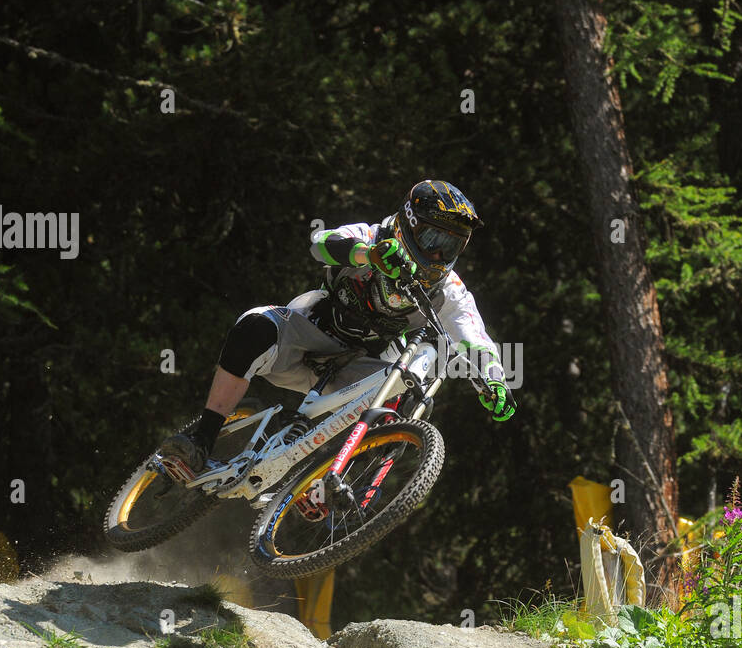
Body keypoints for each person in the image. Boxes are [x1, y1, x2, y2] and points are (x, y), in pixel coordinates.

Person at [158, 179, 515, 481]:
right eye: (433, 239)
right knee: (253, 326)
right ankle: (202, 439)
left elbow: (473, 336)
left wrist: (494, 379)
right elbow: (321, 245)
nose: (439, 255)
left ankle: (317, 483)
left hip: (356, 372)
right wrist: (369, 255)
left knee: (406, 399)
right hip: (307, 336)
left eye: (451, 245)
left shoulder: (449, 289)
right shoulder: (372, 235)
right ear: (408, 223)